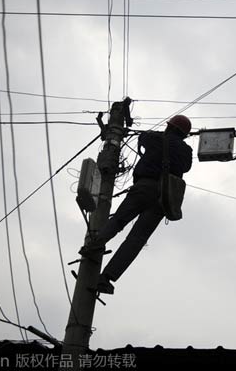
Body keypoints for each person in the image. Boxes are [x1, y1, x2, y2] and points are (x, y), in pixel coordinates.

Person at [79, 115, 193, 294]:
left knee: (118, 220)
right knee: (136, 240)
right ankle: (106, 278)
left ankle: (95, 245)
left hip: (144, 187)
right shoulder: (187, 151)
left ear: (169, 127)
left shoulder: (155, 138)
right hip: (164, 197)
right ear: (184, 135)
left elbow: (143, 138)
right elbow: (186, 167)